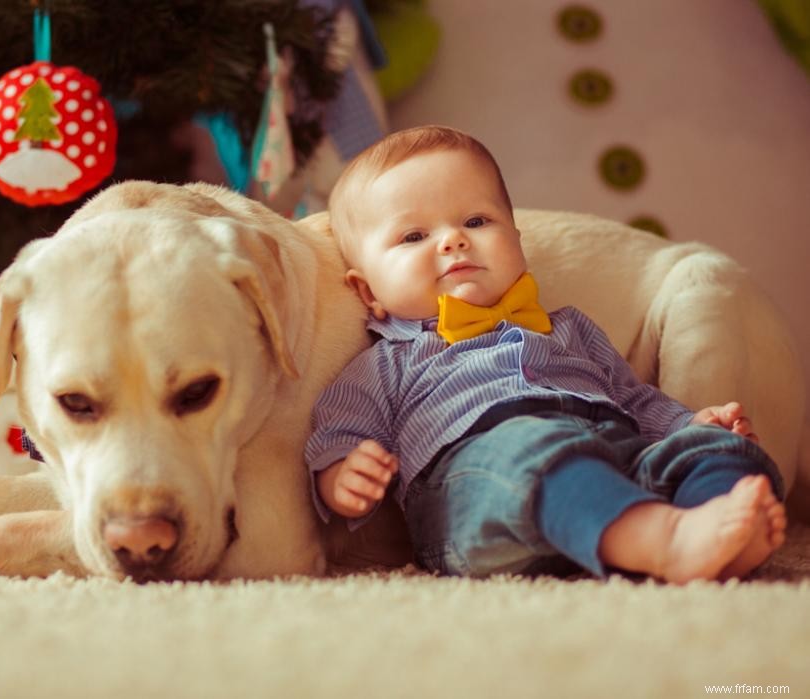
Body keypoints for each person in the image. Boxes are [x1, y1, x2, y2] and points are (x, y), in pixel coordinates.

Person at [306, 125, 787, 583]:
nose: (453, 240)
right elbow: (338, 431)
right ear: (367, 292)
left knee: (722, 449)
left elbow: (636, 401)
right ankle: (666, 539)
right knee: (533, 451)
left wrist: (689, 425)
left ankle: (714, 530)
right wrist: (342, 476)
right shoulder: (388, 362)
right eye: (414, 236)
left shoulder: (569, 327)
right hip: (479, 488)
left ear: (516, 243)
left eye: (476, 221)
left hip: (616, 458)